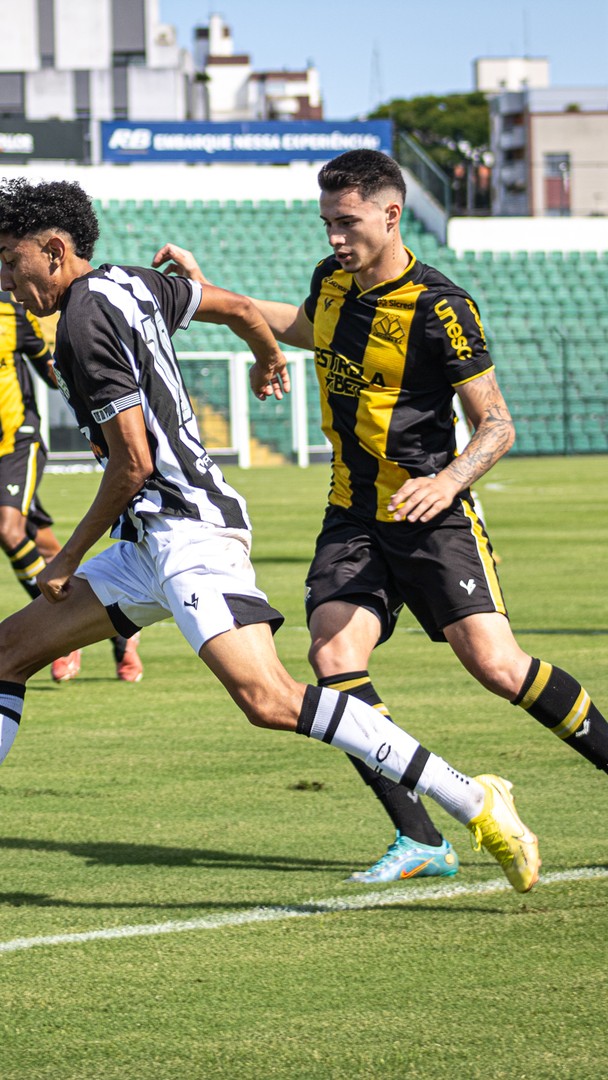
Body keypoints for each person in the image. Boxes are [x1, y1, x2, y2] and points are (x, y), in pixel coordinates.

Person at [0, 177, 541, 895]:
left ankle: (473, 798)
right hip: (152, 543)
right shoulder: (131, 284)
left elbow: (134, 463)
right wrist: (267, 355)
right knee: (7, 654)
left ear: (56, 250)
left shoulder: (81, 324)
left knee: (270, 700)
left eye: (12, 262)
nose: (7, 280)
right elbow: (240, 307)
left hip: (188, 535)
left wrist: (64, 558)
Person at [153, 148, 608, 886]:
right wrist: (208, 296)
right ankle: (422, 838)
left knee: (496, 665)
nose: (335, 237)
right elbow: (304, 328)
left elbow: (496, 424)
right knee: (334, 662)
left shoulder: (442, 306)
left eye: (348, 222)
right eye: (328, 222)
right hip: (352, 513)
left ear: (391, 215)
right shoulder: (332, 282)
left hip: (432, 516)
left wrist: (449, 481)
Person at [0, 290, 142, 683]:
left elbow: (53, 369)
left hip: (13, 444)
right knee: (41, 541)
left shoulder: (11, 312)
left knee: (7, 528)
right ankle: (122, 637)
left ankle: (60, 628)